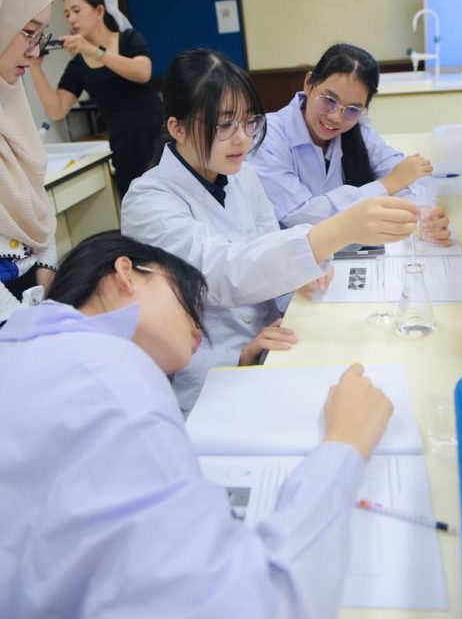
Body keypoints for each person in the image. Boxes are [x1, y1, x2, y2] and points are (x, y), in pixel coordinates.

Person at [0, 230, 394, 619]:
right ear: (125, 274)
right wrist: (344, 446)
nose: (198, 327)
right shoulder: (109, 376)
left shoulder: (31, 353)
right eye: (186, 300)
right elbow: (257, 605)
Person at [121, 48, 418, 413]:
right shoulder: (148, 200)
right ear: (176, 127)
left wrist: (299, 275)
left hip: (271, 341)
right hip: (213, 374)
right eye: (224, 126)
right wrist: (336, 231)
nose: (243, 139)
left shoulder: (240, 174)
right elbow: (220, 272)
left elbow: (266, 243)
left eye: (249, 122)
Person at [252, 43, 451, 244]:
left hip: (351, 251)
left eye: (353, 109)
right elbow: (300, 215)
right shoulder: (268, 136)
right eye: (329, 99)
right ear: (308, 83)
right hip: (296, 255)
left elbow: (412, 177)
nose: (336, 117)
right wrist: (388, 184)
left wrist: (423, 216)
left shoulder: (359, 128)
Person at [29, 0, 163, 198]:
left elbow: (142, 72)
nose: (71, 19)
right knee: (137, 209)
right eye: (67, 14)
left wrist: (93, 51)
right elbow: (57, 109)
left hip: (158, 140)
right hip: (125, 149)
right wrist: (35, 68)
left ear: (99, 11)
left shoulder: (128, 38)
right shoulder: (78, 65)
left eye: (76, 11)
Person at [0, 0, 57, 303]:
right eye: (29, 33)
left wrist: (46, 273)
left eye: (41, 37)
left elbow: (36, 199)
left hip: (31, 295)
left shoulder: (11, 99)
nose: (35, 52)